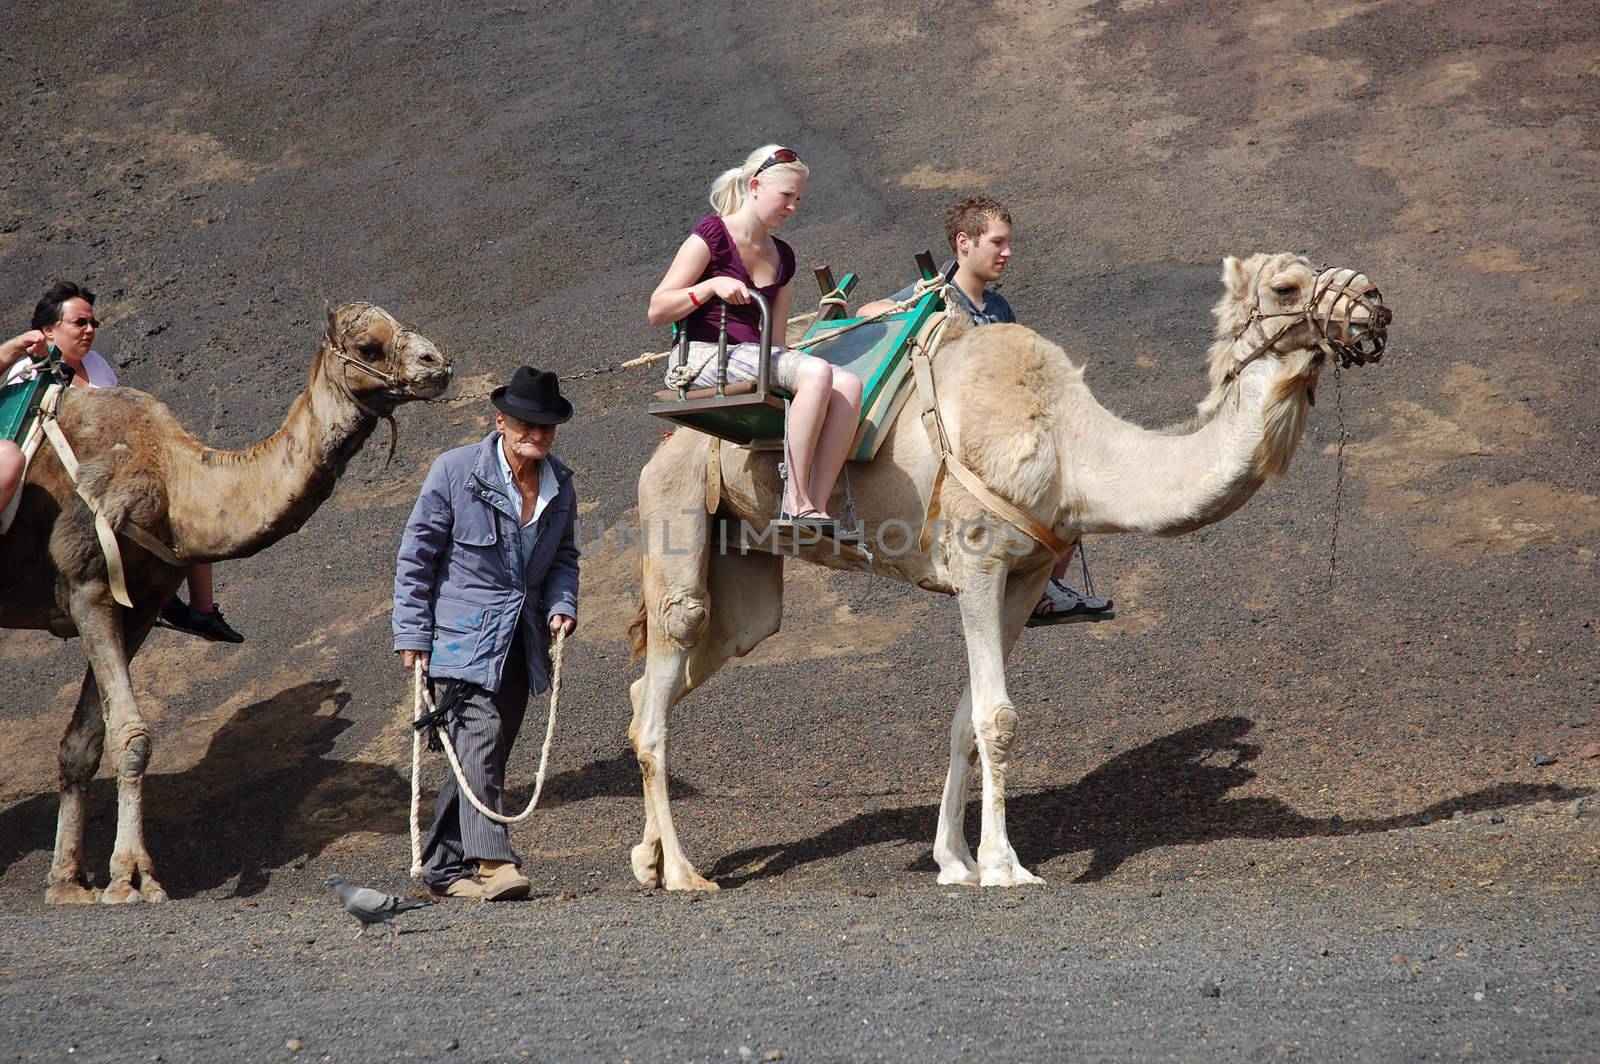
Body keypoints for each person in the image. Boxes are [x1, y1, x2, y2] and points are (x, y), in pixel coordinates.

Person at [860, 197, 1112, 624]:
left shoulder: (998, 309)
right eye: (997, 242)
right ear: (964, 242)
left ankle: (1042, 585)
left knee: (1075, 487)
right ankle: (1031, 586)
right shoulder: (937, 294)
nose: (1007, 253)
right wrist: (924, 317)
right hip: (956, 439)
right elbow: (869, 312)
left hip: (1004, 431)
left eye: (1009, 243)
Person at [393, 366, 580, 901]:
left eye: (546, 427)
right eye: (527, 424)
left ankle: (444, 869)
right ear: (500, 421)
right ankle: (495, 862)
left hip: (522, 644)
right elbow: (417, 557)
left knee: (484, 754)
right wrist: (412, 633)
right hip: (460, 639)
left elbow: (564, 558)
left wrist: (563, 604)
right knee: (479, 738)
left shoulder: (559, 486)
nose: (537, 435)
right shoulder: (454, 472)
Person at [1, 281, 245, 641]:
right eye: (80, 323)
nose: (89, 331)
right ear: (49, 330)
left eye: (93, 324)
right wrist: (12, 349)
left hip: (100, 469)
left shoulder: (96, 367)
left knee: (184, 499)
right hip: (45, 477)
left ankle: (200, 610)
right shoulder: (25, 366)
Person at [648, 144, 864, 540]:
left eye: (799, 198)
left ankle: (815, 505)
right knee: (816, 373)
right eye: (786, 196)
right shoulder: (710, 236)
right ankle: (795, 502)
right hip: (702, 358)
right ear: (755, 185)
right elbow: (658, 309)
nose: (793, 206)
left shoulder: (784, 257)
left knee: (848, 384)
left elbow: (776, 341)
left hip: (754, 356)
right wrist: (711, 286)